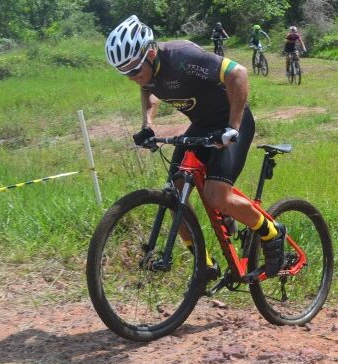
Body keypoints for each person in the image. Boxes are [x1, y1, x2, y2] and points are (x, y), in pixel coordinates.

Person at [104, 15, 287, 278]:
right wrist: (147, 125)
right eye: (124, 72)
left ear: (151, 52)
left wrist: (232, 128)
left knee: (216, 195)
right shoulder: (147, 73)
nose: (131, 77)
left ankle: (271, 232)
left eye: (133, 70)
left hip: (232, 122)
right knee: (174, 196)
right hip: (202, 126)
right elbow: (149, 89)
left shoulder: (182, 57)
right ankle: (205, 264)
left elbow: (238, 73)